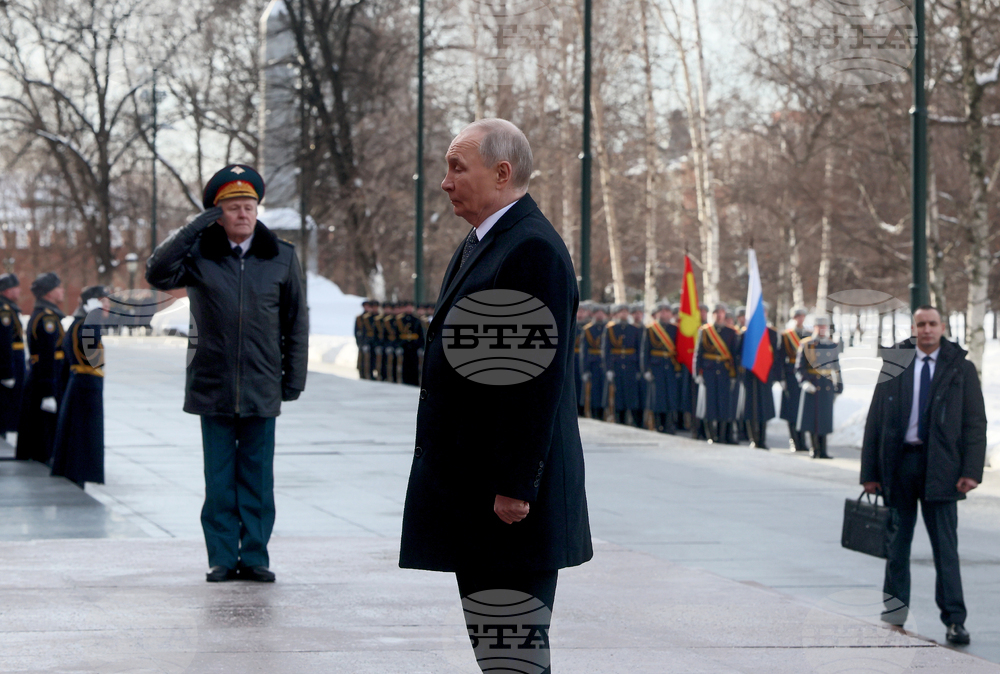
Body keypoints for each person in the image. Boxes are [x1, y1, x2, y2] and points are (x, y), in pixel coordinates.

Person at [399, 119, 592, 673]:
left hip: (508, 504)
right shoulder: (488, 241)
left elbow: (534, 383)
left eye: (458, 167)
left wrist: (513, 486)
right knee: (499, 653)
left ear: (502, 173)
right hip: (481, 490)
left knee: (514, 657)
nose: (444, 182)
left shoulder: (530, 250)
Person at [146, 164, 309, 583]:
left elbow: (296, 322)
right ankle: (221, 556)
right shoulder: (201, 256)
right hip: (212, 384)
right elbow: (156, 272)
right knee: (218, 481)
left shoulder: (282, 256)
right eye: (233, 207)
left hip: (261, 383)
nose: (243, 214)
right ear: (218, 214)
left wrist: (293, 380)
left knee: (256, 479)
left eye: (249, 207)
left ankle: (254, 556)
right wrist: (193, 229)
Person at [860, 306, 985, 646]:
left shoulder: (961, 368)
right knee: (896, 548)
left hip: (943, 471)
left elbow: (975, 424)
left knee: (946, 549)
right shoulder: (895, 365)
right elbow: (875, 419)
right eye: (921, 324)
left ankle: (955, 621)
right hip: (900, 467)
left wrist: (971, 471)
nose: (926, 329)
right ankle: (894, 619)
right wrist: (869, 472)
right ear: (914, 328)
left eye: (932, 323)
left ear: (942, 327)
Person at [50, 286, 110, 488]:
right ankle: (77, 476)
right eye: (102, 301)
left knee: (83, 437)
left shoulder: (84, 323)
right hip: (84, 387)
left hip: (85, 385)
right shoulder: (84, 324)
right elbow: (90, 355)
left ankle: (79, 475)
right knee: (81, 438)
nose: (107, 306)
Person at [16, 273, 66, 464]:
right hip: (44, 378)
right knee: (43, 425)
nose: (62, 291)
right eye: (58, 288)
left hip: (43, 376)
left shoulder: (47, 315)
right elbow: (47, 356)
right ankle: (42, 457)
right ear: (48, 293)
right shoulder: (46, 319)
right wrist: (48, 391)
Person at [795, 316, 842, 459]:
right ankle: (814, 449)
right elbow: (799, 368)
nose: (822, 329)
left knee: (824, 419)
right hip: (812, 383)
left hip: (826, 384)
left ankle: (823, 450)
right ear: (814, 328)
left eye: (824, 326)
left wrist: (839, 385)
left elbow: (836, 367)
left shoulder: (832, 345)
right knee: (813, 418)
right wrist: (804, 382)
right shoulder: (806, 344)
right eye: (819, 326)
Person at [693, 303, 738, 443]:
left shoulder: (731, 332)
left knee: (723, 404)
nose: (719, 315)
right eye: (716, 312)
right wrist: (697, 374)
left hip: (724, 372)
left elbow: (735, 355)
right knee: (709, 404)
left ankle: (722, 435)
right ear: (712, 315)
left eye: (722, 312)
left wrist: (734, 374)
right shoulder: (705, 331)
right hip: (709, 372)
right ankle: (711, 436)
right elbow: (698, 354)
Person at [741, 303, 782, 449]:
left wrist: (777, 376)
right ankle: (753, 438)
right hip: (750, 375)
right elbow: (740, 355)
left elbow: (776, 357)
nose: (761, 314)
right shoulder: (746, 333)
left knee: (764, 407)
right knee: (751, 406)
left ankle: (762, 439)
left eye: (763, 312)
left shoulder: (771, 333)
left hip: (766, 374)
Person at [641, 302, 682, 434]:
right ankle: (658, 425)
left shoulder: (675, 329)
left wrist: (678, 368)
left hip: (670, 366)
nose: (664, 314)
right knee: (658, 398)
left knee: (670, 397)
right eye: (661, 311)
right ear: (656, 314)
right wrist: (646, 369)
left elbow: (679, 350)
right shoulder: (650, 329)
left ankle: (670, 425)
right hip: (656, 367)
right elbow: (645, 351)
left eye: (667, 311)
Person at [603, 304, 643, 427]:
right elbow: (606, 350)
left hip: (631, 365)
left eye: (625, 312)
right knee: (618, 395)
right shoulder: (610, 329)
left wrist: (638, 369)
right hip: (616, 365)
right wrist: (608, 368)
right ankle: (619, 421)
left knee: (631, 395)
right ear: (616, 314)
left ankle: (633, 421)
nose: (623, 314)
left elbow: (639, 349)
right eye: (621, 312)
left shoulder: (634, 329)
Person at [780, 308, 810, 452]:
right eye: (797, 317)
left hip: (804, 375)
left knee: (803, 409)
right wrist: (781, 378)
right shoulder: (786, 335)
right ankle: (794, 440)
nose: (800, 319)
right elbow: (780, 358)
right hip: (790, 375)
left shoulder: (809, 334)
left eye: (802, 316)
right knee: (792, 410)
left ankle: (803, 441)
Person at [0, 273, 26, 440]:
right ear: (8, 291)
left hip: (14, 362)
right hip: (10, 365)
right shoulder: (4, 310)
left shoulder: (9, 308)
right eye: (16, 287)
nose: (19, 291)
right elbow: (3, 343)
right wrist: (7, 372)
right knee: (5, 404)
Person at [580, 304, 608, 420]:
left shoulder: (609, 328)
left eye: (602, 312)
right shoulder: (587, 330)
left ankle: (605, 414)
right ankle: (594, 414)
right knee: (594, 392)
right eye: (597, 312)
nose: (600, 315)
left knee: (605, 391)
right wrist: (585, 370)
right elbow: (584, 352)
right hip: (593, 364)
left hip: (605, 364)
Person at [395, 300, 424, 386]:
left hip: (414, 345)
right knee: (405, 364)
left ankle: (414, 381)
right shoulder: (400, 320)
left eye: (410, 307)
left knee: (414, 364)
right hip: (404, 345)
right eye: (407, 307)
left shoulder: (417, 320)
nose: (409, 309)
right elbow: (397, 334)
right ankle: (405, 380)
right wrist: (398, 346)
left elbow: (421, 334)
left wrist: (421, 346)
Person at [574, 301, 593, 416]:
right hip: (573, 359)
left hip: (585, 358)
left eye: (582, 311)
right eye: (578, 311)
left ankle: (583, 408)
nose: (580, 314)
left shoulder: (588, 328)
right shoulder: (573, 326)